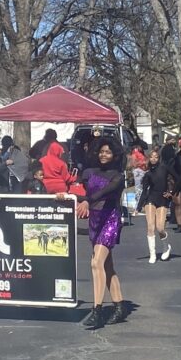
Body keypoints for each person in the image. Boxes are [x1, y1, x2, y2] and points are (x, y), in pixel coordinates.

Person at [68, 139, 127, 329]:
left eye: (108, 152)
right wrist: (65, 196)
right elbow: (81, 193)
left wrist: (87, 201)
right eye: (101, 151)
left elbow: (104, 192)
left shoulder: (118, 176)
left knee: (96, 263)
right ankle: (119, 307)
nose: (104, 155)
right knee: (107, 266)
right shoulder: (88, 172)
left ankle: (97, 310)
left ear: (115, 155)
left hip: (110, 219)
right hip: (94, 220)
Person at [139, 149, 174, 264]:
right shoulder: (148, 173)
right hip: (151, 199)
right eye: (151, 157)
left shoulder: (164, 168)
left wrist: (171, 192)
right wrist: (139, 206)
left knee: (160, 228)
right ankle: (152, 254)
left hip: (163, 199)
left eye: (156, 157)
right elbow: (144, 191)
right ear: (148, 158)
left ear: (159, 158)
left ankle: (166, 247)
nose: (153, 159)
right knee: (150, 227)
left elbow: (178, 179)